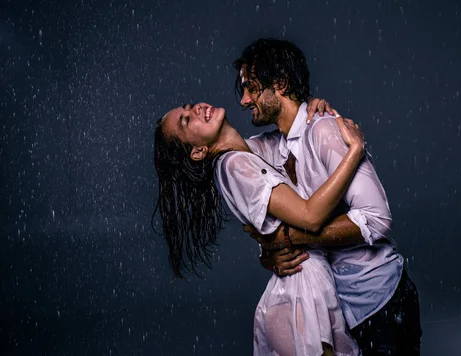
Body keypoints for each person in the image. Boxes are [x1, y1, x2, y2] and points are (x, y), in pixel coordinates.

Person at [235, 38, 423, 355]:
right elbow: (257, 215)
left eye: (252, 88)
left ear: (279, 83)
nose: (244, 100)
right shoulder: (271, 148)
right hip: (335, 308)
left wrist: (293, 237)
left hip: (381, 300)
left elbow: (377, 219)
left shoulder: (324, 130)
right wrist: (270, 253)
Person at [153, 101, 364, 355]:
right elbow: (310, 217)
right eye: (186, 120)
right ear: (197, 152)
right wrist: (355, 150)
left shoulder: (249, 151)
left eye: (188, 107)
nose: (195, 109)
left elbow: (293, 130)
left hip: (300, 287)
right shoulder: (234, 166)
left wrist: (314, 107)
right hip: (302, 290)